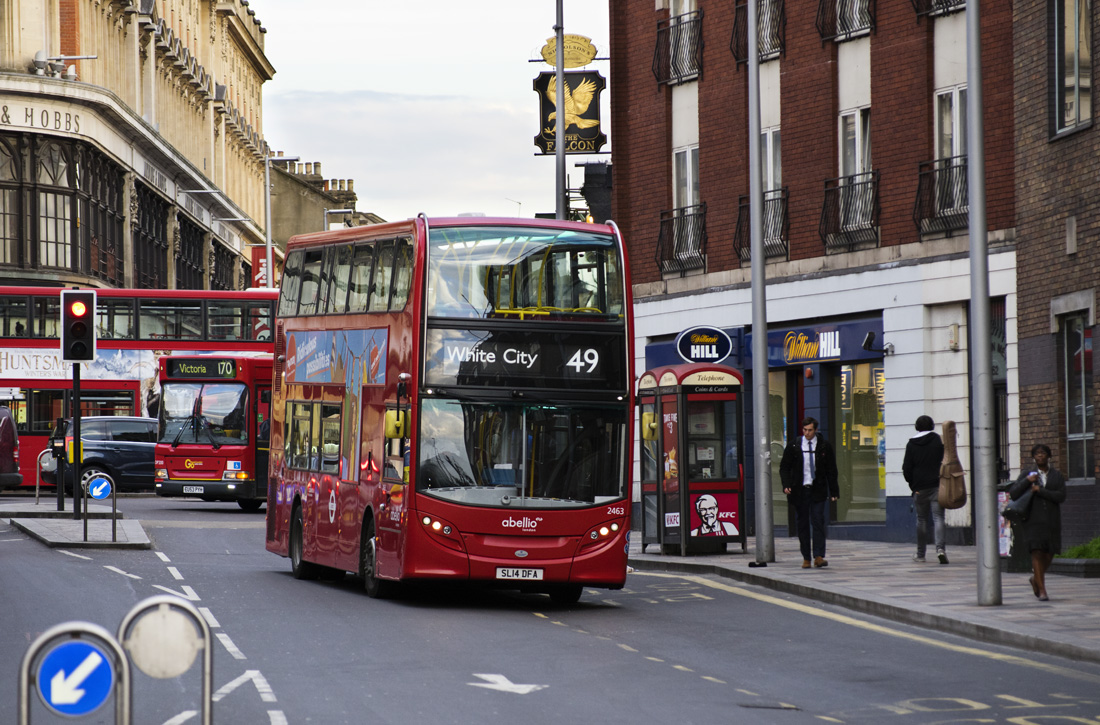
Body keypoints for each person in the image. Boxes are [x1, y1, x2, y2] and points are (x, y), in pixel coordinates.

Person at [780, 417, 839, 568]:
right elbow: (784, 467)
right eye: (805, 430)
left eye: (810, 430)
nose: (807, 433)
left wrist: (834, 491)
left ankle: (818, 556)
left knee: (818, 522)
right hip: (800, 490)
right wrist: (786, 485)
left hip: (817, 489)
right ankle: (806, 557)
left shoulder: (824, 446)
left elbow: (831, 470)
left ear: (816, 430)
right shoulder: (794, 445)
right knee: (803, 524)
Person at [1009, 444, 1066, 601]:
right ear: (1033, 457)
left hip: (1052, 521)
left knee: (1049, 553)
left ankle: (1035, 579)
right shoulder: (1028, 474)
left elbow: (1061, 496)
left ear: (1049, 456)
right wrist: (1027, 481)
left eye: (1043, 453)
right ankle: (1042, 590)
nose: (1040, 456)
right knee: (1037, 551)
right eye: (1037, 454)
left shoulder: (1056, 476)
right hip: (1032, 520)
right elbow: (1013, 493)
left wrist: (1040, 491)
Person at [902, 415, 947, 564]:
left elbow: (906, 468)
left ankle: (921, 554)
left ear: (917, 426)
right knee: (938, 517)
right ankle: (940, 549)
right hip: (937, 484)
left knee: (921, 520)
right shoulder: (938, 441)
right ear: (932, 426)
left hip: (920, 487)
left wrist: (912, 484)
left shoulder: (911, 444)